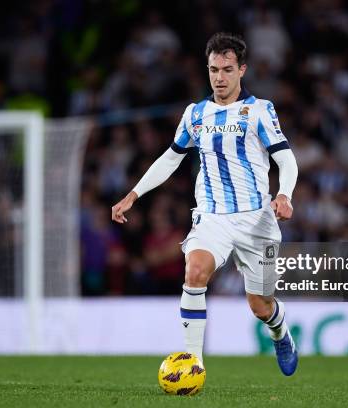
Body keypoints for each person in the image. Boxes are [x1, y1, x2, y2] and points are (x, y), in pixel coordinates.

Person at [112, 32, 299, 376]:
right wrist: (133, 194)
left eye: (227, 70)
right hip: (212, 217)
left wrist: (284, 194)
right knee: (195, 272)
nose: (219, 77)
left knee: (260, 305)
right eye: (214, 69)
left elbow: (286, 160)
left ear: (242, 70)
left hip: (258, 221)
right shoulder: (195, 114)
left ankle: (280, 332)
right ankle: (193, 363)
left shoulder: (259, 111)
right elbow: (171, 158)